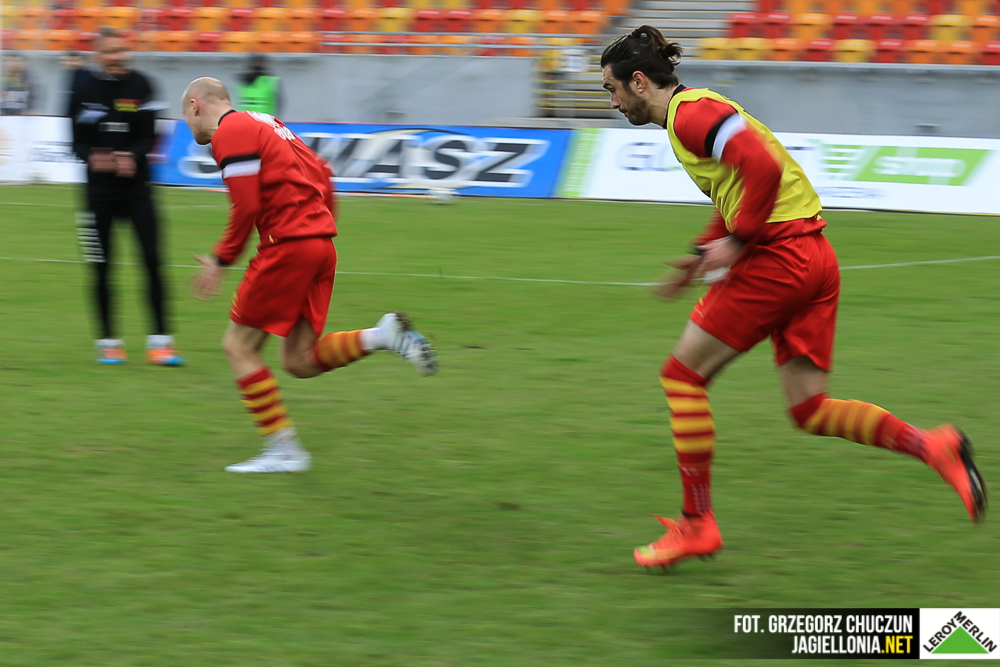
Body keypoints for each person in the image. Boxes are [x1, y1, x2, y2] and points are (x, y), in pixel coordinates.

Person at [599, 26, 987, 570]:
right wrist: (704, 248)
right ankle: (933, 445)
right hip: (813, 256)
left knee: (682, 377)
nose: (613, 102)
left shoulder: (689, 117)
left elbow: (762, 167)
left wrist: (738, 240)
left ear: (639, 81)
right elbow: (742, 185)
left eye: (612, 89)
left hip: (777, 259)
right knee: (809, 408)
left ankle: (697, 524)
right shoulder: (698, 109)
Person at [182, 77, 437, 473]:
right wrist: (318, 223)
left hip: (287, 245)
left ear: (195, 106)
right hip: (319, 245)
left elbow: (246, 205)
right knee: (299, 360)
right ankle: (384, 335)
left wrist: (221, 258)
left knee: (238, 347)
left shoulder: (229, 131)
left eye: (186, 116)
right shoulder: (268, 123)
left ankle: (284, 450)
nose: (188, 126)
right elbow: (321, 172)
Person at [69, 27, 183, 366]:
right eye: (110, 52)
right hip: (97, 196)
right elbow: (75, 142)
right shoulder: (82, 90)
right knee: (101, 268)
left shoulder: (143, 85)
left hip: (137, 192)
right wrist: (93, 158)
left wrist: (131, 156)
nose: (117, 57)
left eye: (121, 50)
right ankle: (108, 342)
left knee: (153, 262)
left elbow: (150, 135)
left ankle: (161, 343)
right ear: (98, 55)